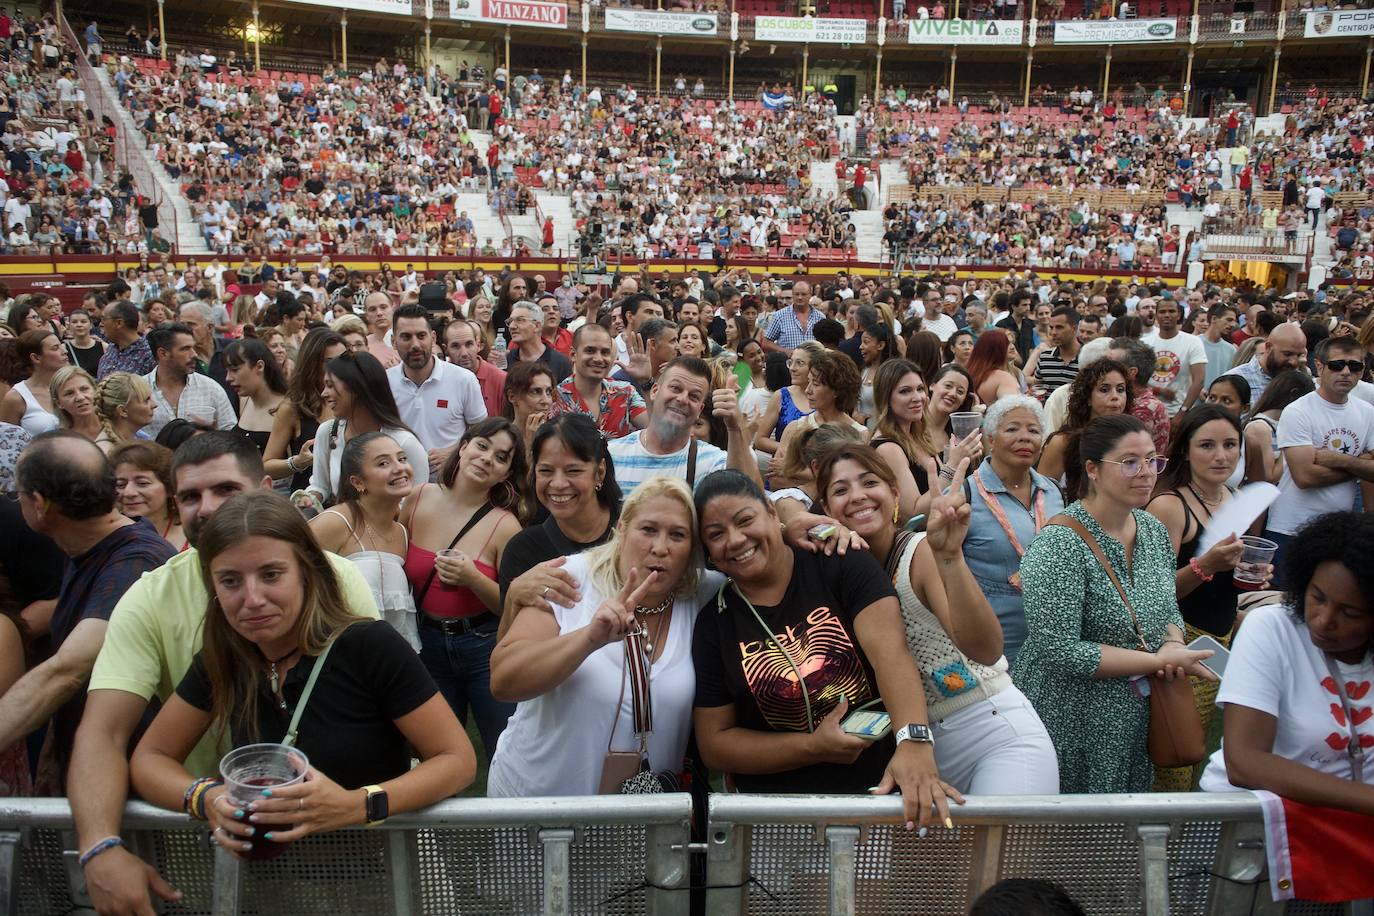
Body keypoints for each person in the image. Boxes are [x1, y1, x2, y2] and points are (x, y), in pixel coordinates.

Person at [70, 433, 379, 914]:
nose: (206, 508)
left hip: (340, 839)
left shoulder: (335, 577)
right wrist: (100, 846)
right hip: (213, 836)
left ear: (264, 489)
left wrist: (362, 804)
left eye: (225, 490)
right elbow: (104, 733)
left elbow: (385, 709)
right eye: (190, 496)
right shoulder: (149, 598)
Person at [128, 491, 475, 858]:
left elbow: (456, 759)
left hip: (378, 872)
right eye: (230, 580)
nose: (252, 598)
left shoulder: (368, 646)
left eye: (271, 575)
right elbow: (151, 759)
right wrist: (206, 798)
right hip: (269, 877)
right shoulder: (225, 658)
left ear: (307, 571)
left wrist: (356, 805)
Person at [692, 469, 963, 829]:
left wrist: (913, 741)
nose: (736, 539)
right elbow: (715, 743)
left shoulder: (839, 560)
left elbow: (891, 654)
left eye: (745, 520)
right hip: (773, 814)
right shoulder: (714, 621)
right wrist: (812, 746)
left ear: (773, 514)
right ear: (708, 551)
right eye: (716, 534)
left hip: (872, 796)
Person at [817, 447, 1059, 795]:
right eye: (840, 490)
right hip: (916, 751)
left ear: (894, 493)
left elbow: (987, 649)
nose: (857, 497)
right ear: (826, 509)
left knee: (1003, 851)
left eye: (869, 482)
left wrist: (950, 558)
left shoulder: (921, 553)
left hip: (994, 736)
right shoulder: (834, 567)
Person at [1013, 415, 1216, 793]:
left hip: (1133, 714)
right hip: (1069, 715)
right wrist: (1159, 661)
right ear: (1092, 469)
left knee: (1120, 829)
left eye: (1153, 460)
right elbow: (1058, 649)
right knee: (1064, 828)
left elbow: (1166, 604)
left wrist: (1171, 641)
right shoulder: (1060, 544)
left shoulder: (1151, 529)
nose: (1146, 473)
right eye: (1129, 462)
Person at [488, 478, 721, 796]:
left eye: (677, 535)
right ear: (622, 529)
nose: (660, 547)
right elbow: (503, 679)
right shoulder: (569, 579)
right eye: (648, 529)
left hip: (641, 820)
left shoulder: (703, 592)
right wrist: (589, 639)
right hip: (539, 805)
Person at [0, 432, 175, 794]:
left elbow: (69, 669)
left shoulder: (135, 561)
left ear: (39, 503)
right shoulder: (88, 548)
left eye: (18, 494)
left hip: (134, 783)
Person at [1200, 511, 1374, 809]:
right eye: (1317, 597)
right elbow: (1245, 762)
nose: (1323, 620)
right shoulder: (1270, 628)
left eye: (1350, 613)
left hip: (1350, 835)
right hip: (1251, 827)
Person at [403, 418, 525, 761]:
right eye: (482, 446)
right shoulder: (417, 499)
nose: (487, 459)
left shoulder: (505, 525)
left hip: (483, 648)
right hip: (425, 644)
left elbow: (512, 608)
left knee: (503, 750)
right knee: (434, 754)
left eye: (501, 457)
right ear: (464, 446)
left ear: (505, 473)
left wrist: (473, 578)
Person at [1145, 404, 1249, 790]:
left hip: (1220, 638)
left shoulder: (1236, 497)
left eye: (1230, 444)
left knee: (1199, 744)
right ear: (1185, 450)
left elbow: (1227, 575)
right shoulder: (1170, 505)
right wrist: (1205, 565)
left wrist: (1249, 574)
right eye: (1207, 445)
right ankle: (1162, 839)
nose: (1221, 455)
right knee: (1175, 752)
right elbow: (1154, 594)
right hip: (1179, 642)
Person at [963, 396, 1066, 665]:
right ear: (991, 439)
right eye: (1012, 429)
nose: (1025, 438)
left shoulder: (1052, 490)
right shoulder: (966, 494)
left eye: (1033, 431)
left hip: (1053, 640)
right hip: (993, 647)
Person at [498, 414, 620, 635]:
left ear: (599, 472)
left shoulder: (633, 529)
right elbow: (506, 653)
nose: (558, 484)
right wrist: (513, 597)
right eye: (546, 471)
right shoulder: (522, 550)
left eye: (573, 471)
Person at [1264, 337, 1374, 580]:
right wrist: (1360, 463)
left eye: (1354, 366)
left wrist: (1338, 460)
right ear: (1320, 366)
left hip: (1339, 530)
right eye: (1337, 365)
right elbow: (1304, 476)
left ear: (1362, 371)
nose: (1346, 372)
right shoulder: (1298, 411)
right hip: (1290, 527)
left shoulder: (1367, 412)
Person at [311, 432, 420, 652]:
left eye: (402, 458)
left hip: (392, 661)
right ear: (358, 482)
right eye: (383, 463)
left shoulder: (403, 532)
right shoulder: (336, 522)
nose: (399, 468)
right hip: (342, 658)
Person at [609, 356, 762, 496]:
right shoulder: (612, 454)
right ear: (654, 391)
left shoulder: (713, 462)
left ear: (700, 410)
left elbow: (748, 499)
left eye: (694, 396)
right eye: (676, 388)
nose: (682, 399)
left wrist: (735, 428)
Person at [301, 351, 427, 508]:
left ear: (357, 388)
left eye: (331, 386)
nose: (324, 393)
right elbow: (320, 485)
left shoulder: (404, 442)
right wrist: (310, 498)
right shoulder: (327, 432)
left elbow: (417, 504)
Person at [388, 304, 488, 477]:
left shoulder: (463, 379)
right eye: (406, 337)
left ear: (433, 338)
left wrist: (456, 451)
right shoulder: (384, 382)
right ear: (393, 341)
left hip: (450, 480)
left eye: (421, 336)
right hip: (400, 481)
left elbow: (482, 431)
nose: (415, 345)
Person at [264, 329, 347, 494]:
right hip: (310, 503)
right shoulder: (293, 407)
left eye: (344, 360)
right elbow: (267, 465)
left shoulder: (355, 400)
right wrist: (297, 462)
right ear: (312, 364)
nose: (340, 368)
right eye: (330, 362)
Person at [1037, 358, 1133, 498]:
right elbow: (1041, 496)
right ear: (1088, 397)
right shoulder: (1063, 442)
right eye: (1104, 389)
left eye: (1120, 389)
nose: (1115, 397)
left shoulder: (1132, 438)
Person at [871, 359, 941, 520]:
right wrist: (953, 468)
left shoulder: (919, 435)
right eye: (905, 391)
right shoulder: (887, 447)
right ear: (886, 397)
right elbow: (913, 516)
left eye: (920, 389)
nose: (917, 397)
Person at [552, 323, 647, 439]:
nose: (598, 359)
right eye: (590, 351)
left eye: (605, 352)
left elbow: (655, 430)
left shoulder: (625, 392)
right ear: (573, 354)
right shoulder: (556, 398)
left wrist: (646, 381)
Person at [775, 349, 866, 467]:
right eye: (809, 381)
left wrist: (797, 473)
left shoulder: (860, 434)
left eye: (816, 384)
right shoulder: (795, 428)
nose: (808, 390)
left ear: (837, 390)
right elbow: (775, 478)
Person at [142, 323, 236, 436]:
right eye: (185, 349)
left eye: (193, 348)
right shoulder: (140, 390)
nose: (194, 354)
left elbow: (231, 434)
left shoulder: (210, 388)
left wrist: (212, 432)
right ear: (163, 353)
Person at [1242, 369, 1314, 487]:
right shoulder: (1260, 428)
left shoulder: (1284, 424)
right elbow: (1269, 477)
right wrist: (1291, 443)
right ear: (1294, 394)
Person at [752, 340, 819, 461]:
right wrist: (791, 449)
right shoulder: (782, 396)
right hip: (784, 468)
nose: (792, 368)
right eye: (791, 362)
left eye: (799, 363)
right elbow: (760, 440)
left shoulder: (824, 398)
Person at [112, 441, 185, 551]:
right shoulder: (109, 536)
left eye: (142, 483)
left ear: (169, 488)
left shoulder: (192, 530)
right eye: (121, 485)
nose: (128, 492)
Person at [1143, 298, 1207, 419]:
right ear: (1156, 315)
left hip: (1178, 412)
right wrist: (1159, 391)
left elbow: (1199, 380)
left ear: (1178, 315)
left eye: (1171, 311)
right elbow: (1136, 381)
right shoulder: (1145, 343)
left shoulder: (1193, 342)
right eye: (1162, 312)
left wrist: (1182, 412)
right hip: (1148, 411)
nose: (1167, 315)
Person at [222, 338, 286, 456]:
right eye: (227, 371)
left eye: (235, 370)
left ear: (259, 366)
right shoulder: (245, 400)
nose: (228, 378)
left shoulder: (287, 408)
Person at [1222, 321, 1308, 409]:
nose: (1293, 362)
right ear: (1268, 347)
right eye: (1287, 354)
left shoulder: (1300, 382)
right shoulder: (1234, 380)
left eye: (1298, 355)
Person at [0, 328, 64, 435]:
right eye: (55, 348)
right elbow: (7, 443)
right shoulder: (16, 397)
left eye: (61, 345)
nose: (64, 351)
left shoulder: (74, 385)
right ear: (35, 358)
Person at [443, 317, 506, 419]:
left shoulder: (501, 380)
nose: (464, 353)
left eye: (469, 344)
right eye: (455, 346)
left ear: (478, 345)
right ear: (446, 349)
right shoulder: (438, 378)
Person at [506, 300, 572, 384]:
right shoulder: (507, 359)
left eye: (520, 320)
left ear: (537, 326)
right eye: (510, 321)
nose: (512, 326)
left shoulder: (560, 363)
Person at [94, 371, 156, 456]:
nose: (154, 405)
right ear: (122, 411)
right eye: (146, 401)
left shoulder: (141, 437)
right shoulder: (106, 453)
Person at [502, 360, 556, 453]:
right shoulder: (501, 439)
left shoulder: (557, 437)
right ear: (512, 396)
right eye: (535, 392)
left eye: (548, 392)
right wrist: (530, 445)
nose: (546, 401)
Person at [96, 300, 155, 380]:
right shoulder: (111, 349)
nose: (101, 324)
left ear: (119, 323)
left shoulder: (149, 355)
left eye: (104, 319)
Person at [967, 332, 1022, 407]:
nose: (1012, 347)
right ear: (996, 350)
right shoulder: (1004, 378)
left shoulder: (968, 373)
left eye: (1012, 343)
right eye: (1007, 344)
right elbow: (1012, 412)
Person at [51, 365, 102, 441]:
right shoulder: (63, 440)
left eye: (84, 389)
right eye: (69, 393)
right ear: (58, 403)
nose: (80, 397)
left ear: (95, 390)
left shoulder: (119, 422)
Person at [64, 307, 107, 378]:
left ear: (90, 325)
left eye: (83, 321)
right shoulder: (63, 349)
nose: (79, 325)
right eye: (74, 322)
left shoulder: (104, 347)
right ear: (69, 326)